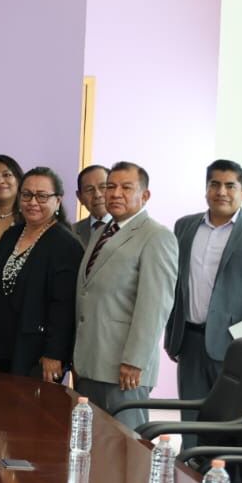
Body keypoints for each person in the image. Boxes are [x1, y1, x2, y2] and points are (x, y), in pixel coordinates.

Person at [164, 160, 242, 412]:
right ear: (206, 189)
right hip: (189, 343)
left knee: (229, 421)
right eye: (214, 184)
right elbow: (175, 285)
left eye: (230, 186)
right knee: (191, 421)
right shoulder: (184, 226)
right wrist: (170, 335)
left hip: (237, 346)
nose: (221, 192)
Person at [73, 162, 178, 428]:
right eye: (111, 186)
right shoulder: (102, 231)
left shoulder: (156, 236)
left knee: (125, 444)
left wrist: (135, 361)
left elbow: (154, 307)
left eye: (126, 187)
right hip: (91, 361)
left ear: (145, 195)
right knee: (91, 441)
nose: (115, 193)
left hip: (124, 368)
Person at [0, 167, 84, 380]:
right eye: (27, 195)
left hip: (37, 353)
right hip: (0, 345)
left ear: (58, 201)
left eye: (42, 196)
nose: (33, 202)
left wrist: (54, 353)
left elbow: (64, 306)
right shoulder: (11, 235)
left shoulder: (66, 245)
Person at [72, 164, 110, 246]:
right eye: (89, 189)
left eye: (103, 187)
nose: (97, 195)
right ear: (79, 197)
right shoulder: (70, 233)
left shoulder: (131, 229)